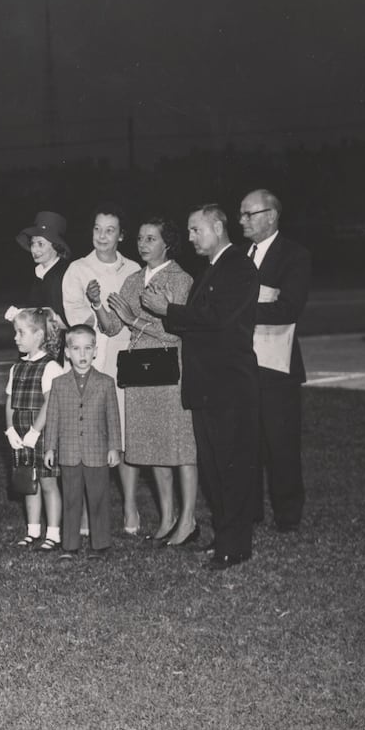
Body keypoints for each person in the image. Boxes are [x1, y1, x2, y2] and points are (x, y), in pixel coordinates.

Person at [142, 204, 259, 571]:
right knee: (213, 467)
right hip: (208, 385)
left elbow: (217, 320)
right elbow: (197, 325)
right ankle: (224, 537)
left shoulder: (237, 267)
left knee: (230, 466)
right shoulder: (212, 269)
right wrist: (169, 315)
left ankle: (235, 546)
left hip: (228, 386)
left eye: (196, 230)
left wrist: (169, 310)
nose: (191, 238)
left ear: (218, 227)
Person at [96, 217, 200, 547]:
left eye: (151, 238)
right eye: (140, 238)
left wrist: (133, 318)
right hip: (141, 374)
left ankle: (188, 519)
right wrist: (97, 304)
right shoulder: (133, 279)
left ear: (167, 243)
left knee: (181, 448)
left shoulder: (181, 279)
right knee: (156, 448)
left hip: (170, 371)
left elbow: (177, 330)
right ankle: (167, 517)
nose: (142, 244)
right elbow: (112, 327)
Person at [63, 206, 141, 533]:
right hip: (92, 363)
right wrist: (94, 306)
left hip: (128, 359)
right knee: (90, 438)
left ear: (121, 235)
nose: (102, 236)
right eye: (98, 229)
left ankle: (131, 507)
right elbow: (76, 323)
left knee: (124, 435)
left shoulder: (134, 269)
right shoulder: (78, 270)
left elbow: (139, 317)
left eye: (110, 230)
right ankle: (87, 512)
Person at [240, 189, 311, 532]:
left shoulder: (295, 256)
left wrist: (238, 310)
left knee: (281, 444)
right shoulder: (239, 256)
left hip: (277, 366)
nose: (242, 222)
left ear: (271, 215)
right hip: (241, 364)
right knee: (246, 442)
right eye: (241, 215)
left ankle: (287, 514)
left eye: (248, 215)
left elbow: (289, 307)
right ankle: (250, 510)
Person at [42, 325, 122, 563]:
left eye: (88, 348)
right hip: (68, 451)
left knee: (98, 498)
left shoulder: (106, 383)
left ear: (95, 351)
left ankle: (100, 544)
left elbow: (113, 418)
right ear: (67, 352)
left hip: (97, 451)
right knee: (71, 499)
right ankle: (69, 544)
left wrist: (114, 447)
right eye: (76, 349)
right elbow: (53, 417)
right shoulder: (58, 384)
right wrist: (50, 447)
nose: (82, 354)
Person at [4, 307, 67, 550]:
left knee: (48, 482)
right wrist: (10, 429)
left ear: (39, 335)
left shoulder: (50, 367)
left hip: (42, 434)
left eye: (21, 333)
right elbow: (9, 400)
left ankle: (53, 533)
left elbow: (51, 403)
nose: (15, 337)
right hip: (20, 435)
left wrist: (35, 432)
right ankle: (32, 530)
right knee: (27, 482)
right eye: (15, 332)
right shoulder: (16, 367)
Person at [16, 210, 72, 334]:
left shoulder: (61, 276)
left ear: (56, 247)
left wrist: (24, 316)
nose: (34, 250)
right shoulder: (41, 273)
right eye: (32, 244)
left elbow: (65, 321)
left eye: (41, 244)